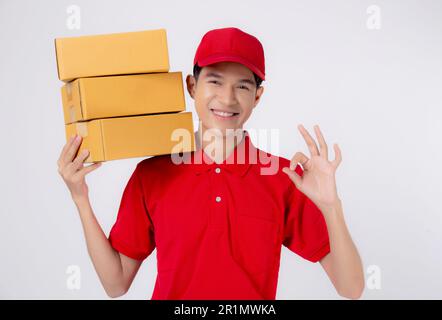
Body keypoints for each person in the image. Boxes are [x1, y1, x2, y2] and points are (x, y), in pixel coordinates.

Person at [57, 27, 364, 300]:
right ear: (192, 86)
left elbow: (351, 288)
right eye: (215, 81)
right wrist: (80, 197)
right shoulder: (151, 174)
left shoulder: (284, 177)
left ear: (257, 97)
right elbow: (116, 284)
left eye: (242, 86)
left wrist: (330, 205)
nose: (227, 98)